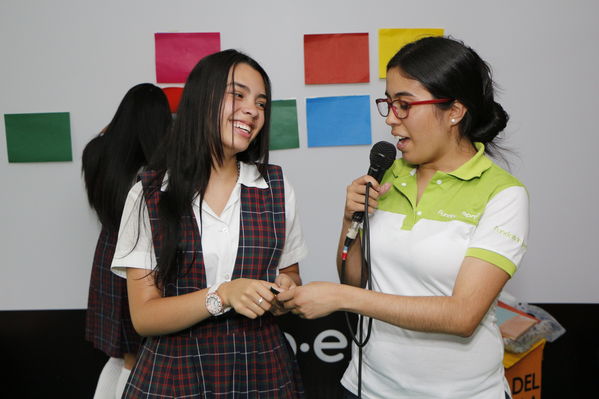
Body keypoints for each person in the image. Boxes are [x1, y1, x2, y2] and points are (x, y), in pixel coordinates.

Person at [278, 36, 529, 399]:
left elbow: (462, 316)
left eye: (404, 105)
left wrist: (343, 298)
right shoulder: (387, 175)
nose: (392, 120)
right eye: (389, 103)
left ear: (454, 111)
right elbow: (354, 278)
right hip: (368, 386)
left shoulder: (503, 194)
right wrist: (351, 222)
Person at [110, 49, 307, 398]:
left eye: (261, 103)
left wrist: (285, 290)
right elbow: (143, 316)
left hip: (260, 371)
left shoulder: (275, 187)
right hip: (175, 375)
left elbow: (290, 274)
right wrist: (223, 294)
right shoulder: (150, 193)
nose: (253, 110)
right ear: (202, 99)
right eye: (238, 95)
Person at [83, 83, 172, 398]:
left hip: (108, 256)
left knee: (122, 356)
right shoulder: (159, 169)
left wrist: (110, 133)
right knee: (137, 360)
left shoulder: (96, 152)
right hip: (142, 262)